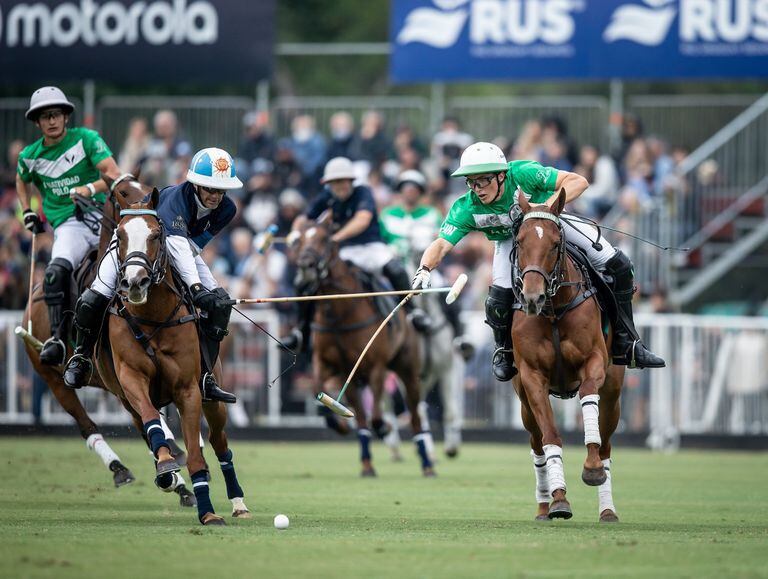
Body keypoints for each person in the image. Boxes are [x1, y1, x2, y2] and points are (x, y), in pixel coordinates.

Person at [412, 142, 665, 381]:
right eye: (472, 182)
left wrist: (543, 207)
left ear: (501, 175)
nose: (478, 188)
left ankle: (628, 342)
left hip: (552, 223)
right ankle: (504, 352)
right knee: (497, 300)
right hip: (510, 241)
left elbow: (579, 181)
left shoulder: (523, 173)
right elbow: (442, 243)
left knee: (619, 266)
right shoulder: (465, 207)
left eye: (484, 180)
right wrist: (424, 269)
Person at [63, 147, 243, 404]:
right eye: (209, 188)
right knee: (95, 296)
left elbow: (191, 248)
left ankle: (206, 377)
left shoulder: (227, 209)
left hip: (177, 248)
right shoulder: (177, 199)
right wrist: (195, 288)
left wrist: (205, 292)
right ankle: (80, 357)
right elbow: (176, 244)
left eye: (220, 190)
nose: (215, 196)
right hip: (135, 244)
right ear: (195, 185)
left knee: (220, 305)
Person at [16, 86, 122, 365]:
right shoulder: (29, 156)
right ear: (37, 122)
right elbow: (21, 180)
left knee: (137, 265)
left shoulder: (86, 139)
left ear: (65, 117)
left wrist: (88, 188)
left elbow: (113, 173)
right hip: (69, 225)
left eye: (56, 114)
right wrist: (28, 210)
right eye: (45, 116)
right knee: (54, 273)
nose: (51, 121)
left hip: (102, 217)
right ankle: (59, 340)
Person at [282, 157, 431, 352]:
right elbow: (305, 217)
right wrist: (295, 232)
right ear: (328, 184)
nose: (339, 186)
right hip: (345, 251)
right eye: (334, 182)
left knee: (396, 270)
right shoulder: (326, 196)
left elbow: (362, 220)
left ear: (351, 180)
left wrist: (334, 238)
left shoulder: (363, 192)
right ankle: (302, 331)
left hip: (371, 247)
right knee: (307, 281)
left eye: (343, 181)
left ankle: (412, 312)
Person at [380, 170, 473, 358]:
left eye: (414, 189)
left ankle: (459, 337)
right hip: (396, 266)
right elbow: (381, 242)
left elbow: (441, 240)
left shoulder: (431, 214)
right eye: (406, 188)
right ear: (400, 191)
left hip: (425, 266)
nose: (410, 192)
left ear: (420, 192)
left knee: (445, 291)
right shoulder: (387, 214)